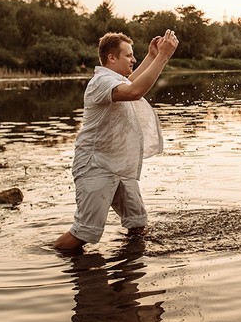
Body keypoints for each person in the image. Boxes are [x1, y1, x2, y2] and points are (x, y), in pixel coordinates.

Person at [53, 30, 179, 251]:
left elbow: (130, 82)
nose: (134, 59)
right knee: (84, 234)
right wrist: (163, 57)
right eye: (129, 55)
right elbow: (134, 91)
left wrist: (151, 56)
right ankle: (49, 258)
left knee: (138, 224)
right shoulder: (100, 81)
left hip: (119, 167)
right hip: (96, 166)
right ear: (112, 58)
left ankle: (129, 266)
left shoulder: (113, 80)